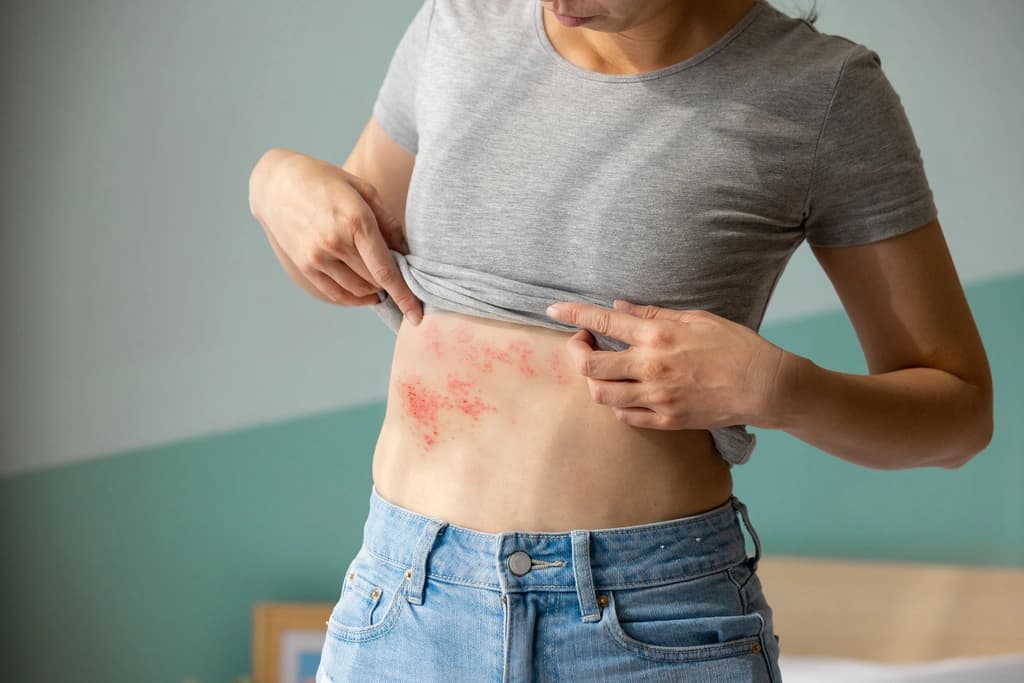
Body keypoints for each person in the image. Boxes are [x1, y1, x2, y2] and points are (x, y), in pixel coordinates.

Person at [248, 0, 994, 680]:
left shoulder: (823, 91)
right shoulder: (458, 24)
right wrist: (274, 184)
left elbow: (959, 415)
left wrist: (777, 390)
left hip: (652, 623)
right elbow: (338, 254)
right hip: (406, 604)